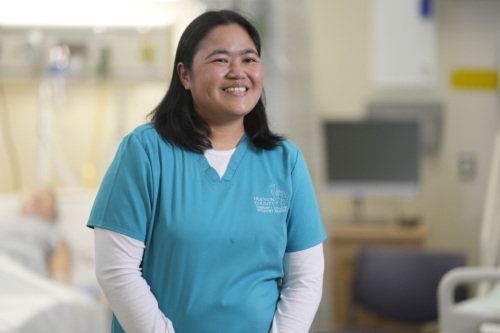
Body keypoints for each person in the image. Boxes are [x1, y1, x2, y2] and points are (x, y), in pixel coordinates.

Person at [87, 9, 327, 333]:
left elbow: (305, 278)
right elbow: (116, 270)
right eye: (220, 60)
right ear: (185, 75)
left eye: (249, 59)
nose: (238, 72)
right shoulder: (145, 152)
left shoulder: (285, 161)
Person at [0, 186, 71, 284]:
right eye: (32, 196)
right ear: (22, 205)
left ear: (53, 211)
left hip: (23, 279)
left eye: (43, 198)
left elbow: (60, 280)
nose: (36, 199)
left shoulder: (54, 233)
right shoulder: (4, 224)